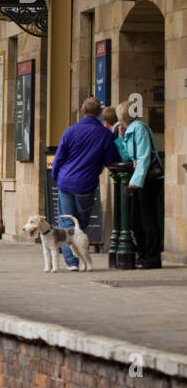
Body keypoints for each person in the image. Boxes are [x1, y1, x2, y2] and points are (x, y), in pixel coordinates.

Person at [51, 97, 119, 269]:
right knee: (80, 223)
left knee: (66, 221)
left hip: (65, 181)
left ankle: (71, 262)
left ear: (82, 110)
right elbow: (112, 158)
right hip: (86, 184)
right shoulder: (105, 134)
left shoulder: (70, 131)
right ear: (99, 113)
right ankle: (77, 258)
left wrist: (55, 175)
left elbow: (59, 157)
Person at [116, 101, 163, 269]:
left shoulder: (139, 129)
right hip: (140, 180)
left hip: (149, 180)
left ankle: (152, 258)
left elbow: (143, 158)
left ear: (122, 116)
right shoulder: (130, 130)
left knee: (147, 220)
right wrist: (121, 138)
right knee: (135, 220)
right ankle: (143, 255)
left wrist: (135, 183)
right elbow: (126, 156)